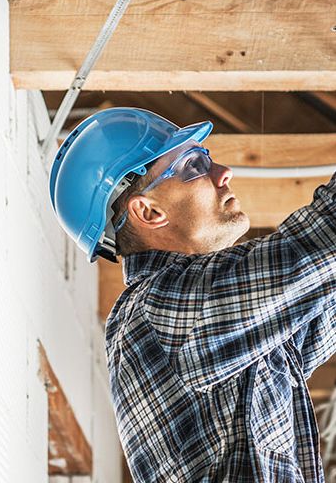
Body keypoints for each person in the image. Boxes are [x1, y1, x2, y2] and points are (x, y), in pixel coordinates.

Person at [49, 107, 336, 482]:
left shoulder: (223, 329)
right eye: (193, 166)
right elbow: (318, 244)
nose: (223, 173)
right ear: (149, 211)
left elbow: (322, 293)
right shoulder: (155, 312)